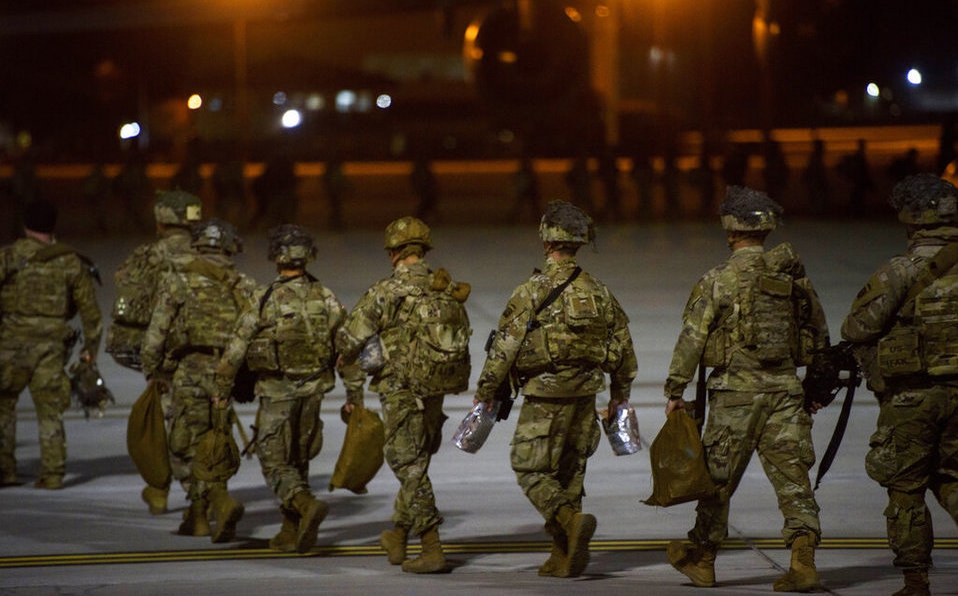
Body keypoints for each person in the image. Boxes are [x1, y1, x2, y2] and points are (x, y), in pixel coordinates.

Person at [664, 186, 830, 592]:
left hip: (733, 398)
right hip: (785, 394)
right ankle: (803, 559)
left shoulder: (718, 279)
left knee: (717, 481)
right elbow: (818, 335)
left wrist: (674, 389)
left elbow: (692, 339)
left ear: (730, 231)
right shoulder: (793, 280)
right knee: (793, 480)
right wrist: (812, 390)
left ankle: (702, 559)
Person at [473, 200, 637, 578]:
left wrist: (485, 390)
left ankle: (567, 520)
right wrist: (618, 396)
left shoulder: (532, 290)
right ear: (578, 244)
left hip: (545, 396)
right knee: (570, 475)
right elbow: (624, 347)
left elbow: (504, 347)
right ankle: (563, 556)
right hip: (585, 395)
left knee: (528, 467)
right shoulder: (599, 291)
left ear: (547, 242)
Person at [212, 224, 365, 553]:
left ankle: (305, 504)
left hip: (277, 393)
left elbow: (237, 348)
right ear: (308, 256)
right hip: (313, 393)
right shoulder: (326, 297)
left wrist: (222, 388)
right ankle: (290, 530)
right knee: (299, 459)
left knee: (274, 461)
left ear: (275, 256)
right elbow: (348, 348)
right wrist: (355, 395)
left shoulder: (264, 298)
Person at [840, 174, 958, 596]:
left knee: (905, 486)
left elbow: (858, 327)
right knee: (952, 477)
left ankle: (915, 581)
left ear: (910, 220)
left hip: (913, 398)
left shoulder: (900, 271)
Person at [336, 216, 471, 574]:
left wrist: (346, 355)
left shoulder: (386, 290)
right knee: (418, 459)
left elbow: (350, 337)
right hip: (435, 387)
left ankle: (431, 546)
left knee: (406, 463)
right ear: (423, 250)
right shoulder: (445, 285)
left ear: (394, 253)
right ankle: (398, 534)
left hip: (400, 388)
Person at [140, 218, 257, 542]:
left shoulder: (179, 281)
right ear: (230, 248)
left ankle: (216, 504)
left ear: (198, 246)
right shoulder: (244, 285)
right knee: (216, 444)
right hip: (227, 375)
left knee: (185, 445)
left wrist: (153, 370)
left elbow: (156, 334)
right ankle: (199, 516)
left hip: (189, 371)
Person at [106, 189, 202, 515]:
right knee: (197, 422)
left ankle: (171, 492)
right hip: (204, 355)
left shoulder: (147, 256)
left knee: (167, 420)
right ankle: (192, 492)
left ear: (161, 221)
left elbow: (127, 303)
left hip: (158, 354)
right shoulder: (209, 254)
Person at [0, 199, 102, 489]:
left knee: (3, 406)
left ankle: (4, 470)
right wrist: (89, 353)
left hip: (11, 346)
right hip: (51, 348)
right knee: (50, 411)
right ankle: (53, 473)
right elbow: (92, 314)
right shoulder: (70, 261)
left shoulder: (9, 257)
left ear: (25, 225)